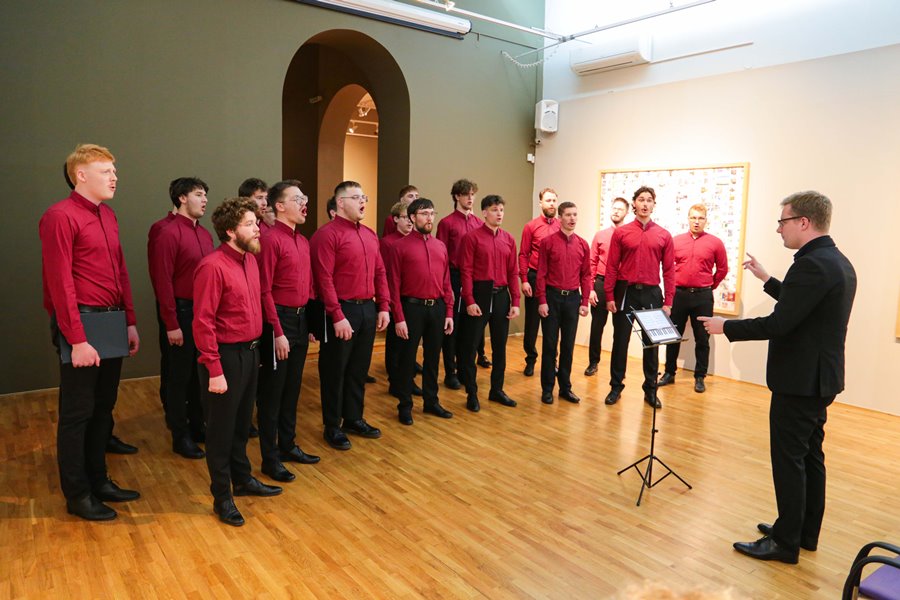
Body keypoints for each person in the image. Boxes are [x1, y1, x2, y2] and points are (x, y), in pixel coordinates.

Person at [700, 191, 856, 565]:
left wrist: (727, 326)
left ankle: (785, 543)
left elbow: (781, 322)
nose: (778, 229)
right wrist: (768, 279)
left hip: (800, 381)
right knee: (810, 456)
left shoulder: (811, 265)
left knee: (789, 460)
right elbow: (801, 305)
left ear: (804, 222)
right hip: (819, 379)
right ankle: (803, 532)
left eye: (782, 221)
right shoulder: (835, 261)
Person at [40, 144, 141, 521]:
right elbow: (59, 282)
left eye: (115, 171)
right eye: (106, 171)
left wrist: (129, 320)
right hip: (82, 324)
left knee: (103, 408)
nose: (115, 177)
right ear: (80, 175)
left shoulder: (108, 215)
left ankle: (99, 481)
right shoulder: (59, 216)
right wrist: (78, 339)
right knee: (77, 413)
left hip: (111, 321)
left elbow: (120, 270)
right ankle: (78, 494)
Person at [193, 197, 282, 527]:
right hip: (224, 358)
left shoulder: (251, 262)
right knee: (221, 431)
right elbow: (202, 323)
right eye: (249, 224)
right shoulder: (212, 267)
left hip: (250, 352)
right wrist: (214, 369)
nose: (257, 229)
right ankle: (222, 497)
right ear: (230, 231)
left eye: (256, 223)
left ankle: (242, 480)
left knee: (243, 424)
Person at [310, 181, 390, 451]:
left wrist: (384, 306)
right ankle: (332, 425)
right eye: (356, 197)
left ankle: (353, 418)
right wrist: (336, 315)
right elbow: (323, 278)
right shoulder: (326, 235)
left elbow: (380, 272)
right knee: (335, 370)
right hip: (341, 310)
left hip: (367, 308)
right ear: (340, 203)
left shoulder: (369, 234)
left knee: (358, 369)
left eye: (363, 196)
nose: (363, 201)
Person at [256, 181, 321, 484]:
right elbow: (264, 290)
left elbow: (308, 286)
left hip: (300, 319)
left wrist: (310, 324)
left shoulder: (303, 241)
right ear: (279, 206)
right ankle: (270, 459)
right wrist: (277, 331)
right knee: (273, 393)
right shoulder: (270, 240)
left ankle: (288, 445)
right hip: (278, 321)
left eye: (304, 197)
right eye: (297, 199)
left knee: (292, 389)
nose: (304, 202)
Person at [148, 177, 214, 459]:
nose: (205, 199)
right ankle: (180, 434)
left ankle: (198, 426)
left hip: (202, 312)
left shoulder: (205, 234)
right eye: (199, 194)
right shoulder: (167, 232)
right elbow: (162, 281)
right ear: (182, 198)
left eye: (205, 194)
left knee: (199, 374)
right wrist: (171, 323)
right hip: (180, 311)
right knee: (179, 377)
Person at [603, 186, 674, 409]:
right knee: (620, 342)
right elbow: (611, 266)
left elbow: (669, 270)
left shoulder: (663, 235)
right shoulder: (621, 233)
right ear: (634, 203)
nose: (645, 203)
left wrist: (669, 301)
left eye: (649, 200)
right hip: (626, 292)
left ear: (654, 205)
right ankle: (616, 387)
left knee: (651, 344)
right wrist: (609, 295)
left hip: (652, 293)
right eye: (641, 199)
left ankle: (650, 390)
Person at [387, 198, 455, 425]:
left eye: (432, 213)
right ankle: (405, 405)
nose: (429, 218)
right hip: (411, 308)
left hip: (437, 308)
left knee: (433, 358)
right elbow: (393, 286)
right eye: (424, 213)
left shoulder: (440, 246)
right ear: (413, 217)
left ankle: (431, 401)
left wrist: (449, 312)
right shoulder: (399, 247)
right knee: (407, 359)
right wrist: (399, 318)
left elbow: (446, 282)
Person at [458, 195, 521, 412]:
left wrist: (515, 301)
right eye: (494, 210)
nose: (499, 213)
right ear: (484, 212)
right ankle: (472, 393)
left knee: (500, 346)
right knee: (471, 346)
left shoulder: (509, 239)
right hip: (480, 294)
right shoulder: (472, 238)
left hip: (502, 295)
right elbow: (466, 271)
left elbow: (513, 272)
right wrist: (469, 300)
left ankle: (497, 390)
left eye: (501, 209)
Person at [658, 204, 728, 393]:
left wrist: (710, 285)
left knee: (702, 338)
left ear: (706, 220)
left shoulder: (715, 243)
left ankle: (700, 376)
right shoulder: (676, 241)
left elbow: (722, 269)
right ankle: (669, 373)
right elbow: (667, 268)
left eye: (700, 218)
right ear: (688, 219)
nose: (696, 221)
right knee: (673, 336)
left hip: (702, 297)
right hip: (679, 295)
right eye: (693, 218)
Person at [536, 202, 591, 404]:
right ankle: (547, 389)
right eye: (568, 215)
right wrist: (542, 300)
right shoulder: (548, 243)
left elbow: (586, 275)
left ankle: (565, 388)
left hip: (573, 299)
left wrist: (585, 301)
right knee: (550, 345)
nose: (572, 218)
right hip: (552, 298)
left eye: (575, 214)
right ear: (560, 218)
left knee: (568, 346)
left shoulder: (583, 244)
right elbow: (541, 274)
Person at [436, 179, 488, 390]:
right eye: (466, 194)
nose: (470, 198)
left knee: (471, 328)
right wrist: (446, 284)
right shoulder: (446, 223)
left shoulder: (478, 223)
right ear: (457, 196)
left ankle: (466, 371)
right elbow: (441, 256)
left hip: (474, 279)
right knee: (453, 328)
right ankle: (451, 373)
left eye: (473, 194)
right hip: (454, 277)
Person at [380, 199, 422, 398]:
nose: (409, 222)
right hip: (394, 298)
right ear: (395, 219)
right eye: (405, 218)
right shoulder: (388, 243)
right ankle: (395, 381)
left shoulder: (416, 242)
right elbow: (385, 274)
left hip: (412, 299)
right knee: (395, 343)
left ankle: (408, 379)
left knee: (409, 344)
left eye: (411, 218)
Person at [585, 197, 629, 376]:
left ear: (627, 212)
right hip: (601, 283)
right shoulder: (600, 235)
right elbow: (591, 263)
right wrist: (590, 289)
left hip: (622, 285)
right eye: (614, 208)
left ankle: (618, 368)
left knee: (621, 329)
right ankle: (593, 362)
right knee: (597, 326)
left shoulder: (629, 235)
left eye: (620, 209)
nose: (616, 211)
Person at [518, 187, 559, 377]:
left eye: (554, 200)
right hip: (534, 278)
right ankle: (531, 359)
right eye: (548, 200)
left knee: (553, 324)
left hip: (554, 281)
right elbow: (523, 254)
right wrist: (524, 279)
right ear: (540, 203)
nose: (551, 204)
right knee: (532, 324)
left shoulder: (561, 226)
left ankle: (552, 361)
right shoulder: (531, 226)